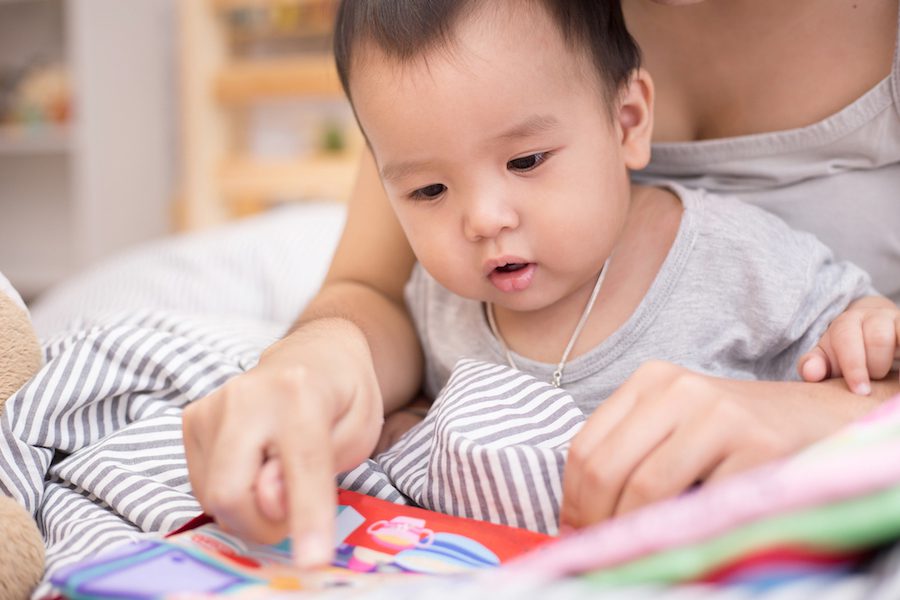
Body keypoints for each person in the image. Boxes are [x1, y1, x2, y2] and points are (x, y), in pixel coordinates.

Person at [182, 0, 900, 568]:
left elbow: (855, 329)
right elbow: (371, 288)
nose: (485, 220)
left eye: (527, 161)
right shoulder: (451, 37)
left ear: (629, 119)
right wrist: (315, 362)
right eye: (431, 190)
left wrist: (830, 413)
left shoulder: (742, 255)